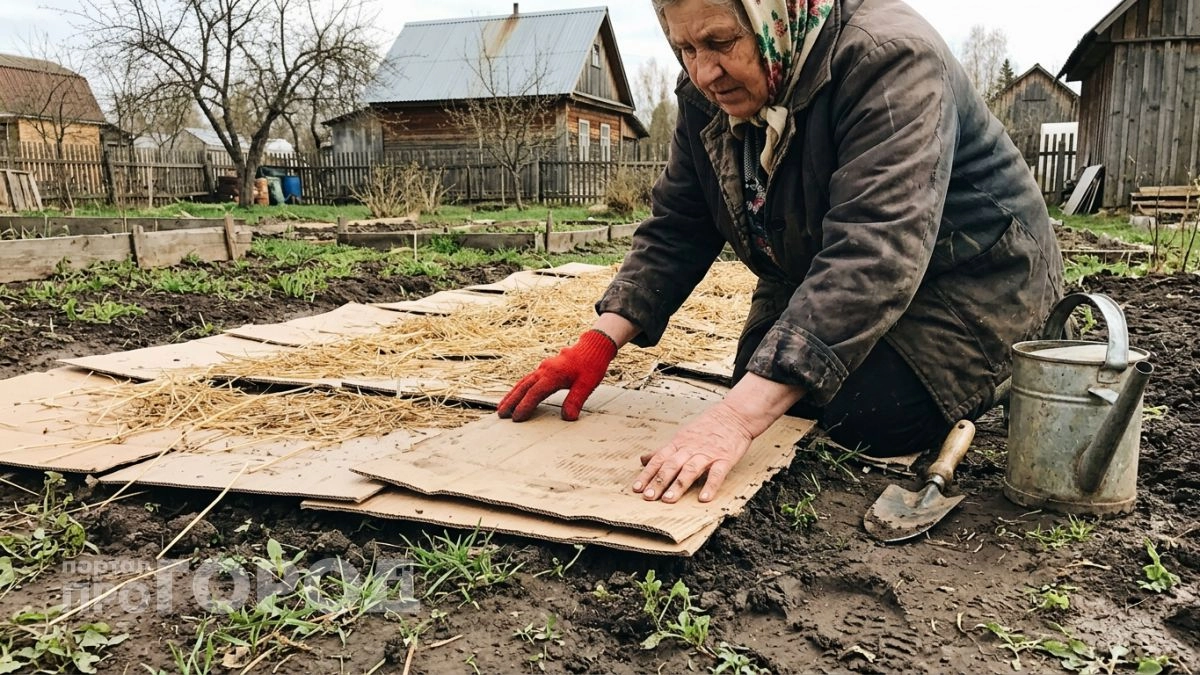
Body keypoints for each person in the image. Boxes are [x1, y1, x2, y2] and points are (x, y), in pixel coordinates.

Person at [498, 0, 1064, 505]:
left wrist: (736, 419)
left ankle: (1005, 375)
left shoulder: (892, 60)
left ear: (774, 13)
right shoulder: (706, 92)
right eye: (685, 47)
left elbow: (875, 249)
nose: (704, 72)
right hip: (815, 265)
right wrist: (599, 341)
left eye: (721, 42)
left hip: (972, 282)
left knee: (864, 414)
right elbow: (679, 224)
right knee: (768, 383)